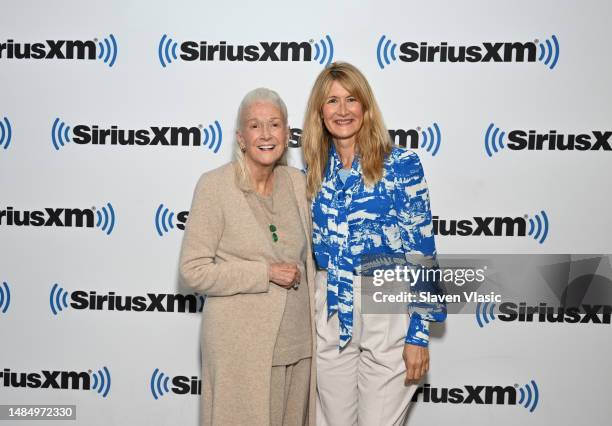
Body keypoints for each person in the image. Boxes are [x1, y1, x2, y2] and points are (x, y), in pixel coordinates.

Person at [301, 62, 446, 425]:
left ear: (366, 106)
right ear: (320, 111)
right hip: (331, 306)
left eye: (352, 99)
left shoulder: (401, 164)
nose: (343, 110)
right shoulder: (312, 173)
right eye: (332, 101)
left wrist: (419, 333)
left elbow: (421, 251)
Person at [179, 88, 316, 426]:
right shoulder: (214, 186)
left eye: (274, 124)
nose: (266, 134)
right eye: (255, 126)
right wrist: (263, 272)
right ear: (241, 138)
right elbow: (193, 271)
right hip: (241, 348)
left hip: (299, 346)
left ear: (287, 134)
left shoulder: (298, 183)